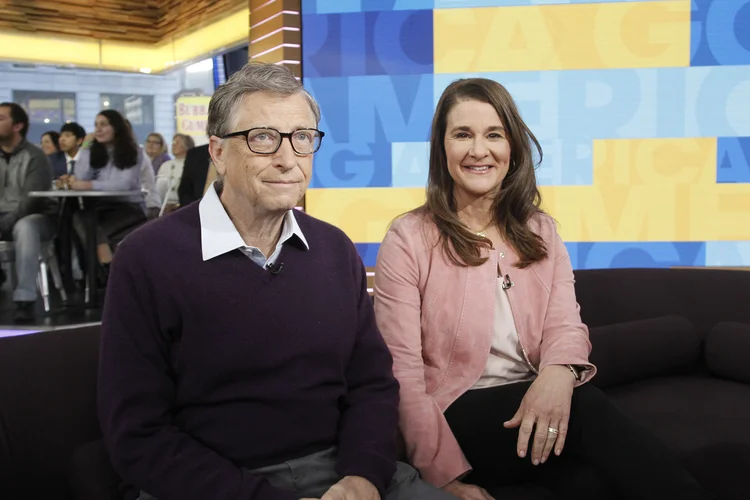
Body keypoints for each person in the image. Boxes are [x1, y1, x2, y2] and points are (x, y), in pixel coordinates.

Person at [97, 62, 455, 500]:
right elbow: (137, 434)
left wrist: (363, 475)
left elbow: (372, 385)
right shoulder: (146, 258)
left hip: (342, 473)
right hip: (211, 483)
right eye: (262, 138)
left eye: (302, 138)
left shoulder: (335, 249)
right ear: (217, 152)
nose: (288, 160)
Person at [373, 78, 716, 500]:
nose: (479, 150)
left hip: (533, 399)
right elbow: (401, 373)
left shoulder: (540, 231)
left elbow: (565, 326)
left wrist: (557, 374)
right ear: (441, 148)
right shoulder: (408, 238)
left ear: (512, 146)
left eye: (494, 134)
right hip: (454, 413)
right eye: (462, 134)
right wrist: (443, 479)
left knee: (588, 482)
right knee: (588, 408)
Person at [64, 109, 147, 270]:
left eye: (104, 125)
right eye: (96, 125)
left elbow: (124, 184)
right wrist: (86, 146)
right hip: (102, 207)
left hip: (128, 208)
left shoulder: (133, 151)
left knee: (88, 224)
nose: (98, 129)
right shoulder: (95, 151)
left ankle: (101, 270)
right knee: (78, 218)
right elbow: (80, 175)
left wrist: (90, 185)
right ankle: (105, 266)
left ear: (116, 128)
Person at [0, 103, 58, 321]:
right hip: (4, 219)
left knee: (24, 226)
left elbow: (30, 202)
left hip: (37, 218)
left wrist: (3, 226)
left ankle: (24, 298)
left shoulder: (35, 157)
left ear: (18, 126)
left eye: (0, 118)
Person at [155, 133, 195, 211]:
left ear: (187, 145)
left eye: (177, 142)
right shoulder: (165, 165)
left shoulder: (192, 165)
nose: (173, 145)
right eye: (173, 142)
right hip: (164, 206)